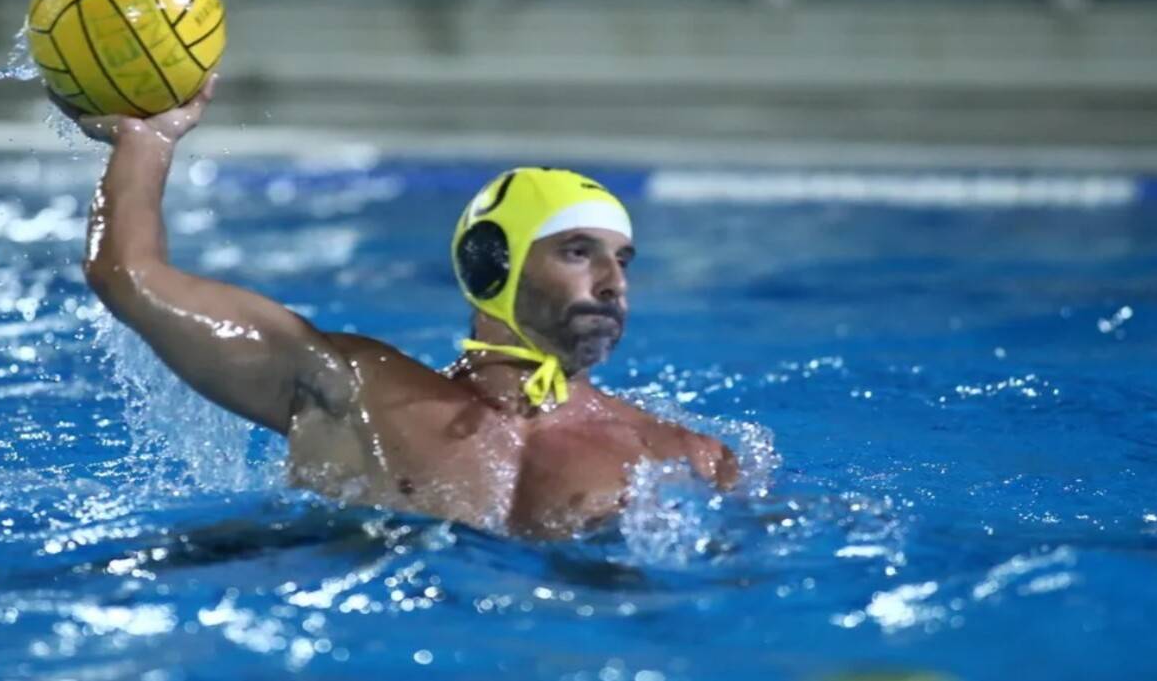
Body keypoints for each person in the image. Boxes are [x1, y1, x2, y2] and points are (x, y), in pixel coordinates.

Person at [58, 79, 738, 540]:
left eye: (623, 260)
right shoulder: (348, 389)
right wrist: (147, 142)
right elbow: (129, 277)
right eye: (579, 252)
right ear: (492, 263)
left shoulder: (686, 457)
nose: (613, 282)